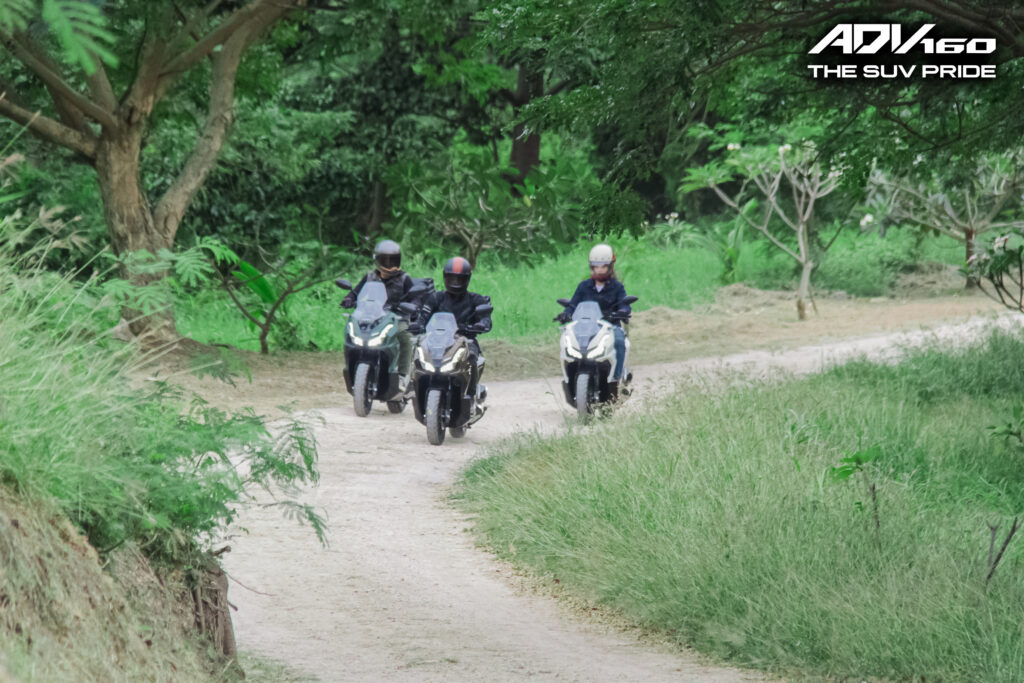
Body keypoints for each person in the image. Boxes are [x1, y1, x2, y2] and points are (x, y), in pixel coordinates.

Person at [413, 256, 492, 400]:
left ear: (467, 279)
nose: (455, 282)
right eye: (452, 278)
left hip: (466, 340)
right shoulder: (435, 298)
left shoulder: (476, 299)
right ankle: (415, 389)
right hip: (437, 339)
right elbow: (423, 315)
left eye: (459, 279)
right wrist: (417, 324)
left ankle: (470, 394)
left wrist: (481, 325)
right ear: (445, 277)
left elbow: (485, 318)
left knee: (472, 357)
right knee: (419, 353)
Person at [340, 239, 415, 386]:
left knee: (405, 337)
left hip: (397, 318)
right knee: (352, 332)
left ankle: (402, 375)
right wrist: (348, 299)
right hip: (372, 317)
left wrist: (412, 306)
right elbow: (355, 293)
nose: (390, 264)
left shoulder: (405, 279)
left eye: (393, 260)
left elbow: (415, 297)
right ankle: (352, 368)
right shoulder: (369, 277)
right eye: (386, 260)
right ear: (377, 260)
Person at [554, 243, 631, 380]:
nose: (599, 270)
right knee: (568, 341)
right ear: (592, 267)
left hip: (610, 327)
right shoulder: (583, 286)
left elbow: (624, 304)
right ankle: (570, 377)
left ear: (610, 267)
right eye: (596, 266)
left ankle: (617, 378)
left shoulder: (617, 287)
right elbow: (573, 305)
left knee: (620, 341)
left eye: (603, 266)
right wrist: (566, 314)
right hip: (586, 327)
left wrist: (622, 311)